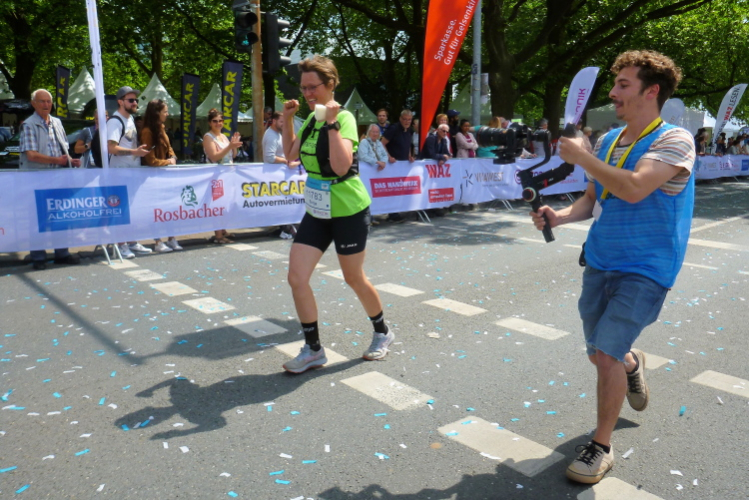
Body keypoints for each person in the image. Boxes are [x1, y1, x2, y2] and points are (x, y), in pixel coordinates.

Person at [530, 50, 695, 485]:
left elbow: (636, 188)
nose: (613, 92)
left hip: (647, 267)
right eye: (615, 83)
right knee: (600, 353)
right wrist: (559, 217)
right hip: (601, 260)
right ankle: (631, 364)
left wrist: (583, 157)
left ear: (651, 91)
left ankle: (600, 447)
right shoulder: (608, 142)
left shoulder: (675, 140)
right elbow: (593, 198)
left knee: (605, 354)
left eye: (623, 84)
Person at [280, 54, 393, 373]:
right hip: (318, 210)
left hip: (348, 209)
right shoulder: (311, 118)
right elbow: (290, 155)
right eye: (303, 88)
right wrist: (288, 119)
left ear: (330, 84)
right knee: (296, 277)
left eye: (312, 87)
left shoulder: (343, 118)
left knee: (353, 277)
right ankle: (313, 349)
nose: (306, 93)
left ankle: (382, 332)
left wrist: (330, 123)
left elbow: (342, 166)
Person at [19, 89, 82, 270]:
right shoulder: (29, 124)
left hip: (58, 177)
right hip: (36, 179)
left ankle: (62, 253)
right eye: (42, 101)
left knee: (60, 216)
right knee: (36, 218)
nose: (46, 105)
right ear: (33, 104)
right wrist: (57, 161)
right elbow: (31, 155)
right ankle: (38, 257)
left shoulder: (57, 122)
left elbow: (63, 149)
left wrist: (69, 160)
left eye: (48, 101)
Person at [107, 86, 152, 259]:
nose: (135, 103)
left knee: (131, 208)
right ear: (120, 102)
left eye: (136, 100)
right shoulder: (115, 121)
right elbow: (111, 148)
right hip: (119, 173)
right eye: (131, 100)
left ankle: (132, 242)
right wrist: (135, 152)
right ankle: (121, 245)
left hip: (131, 172)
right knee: (121, 210)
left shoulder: (130, 119)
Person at [140, 99, 183, 253]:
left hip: (165, 175)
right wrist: (168, 162)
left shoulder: (161, 128)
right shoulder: (147, 132)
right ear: (156, 113)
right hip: (153, 177)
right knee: (156, 210)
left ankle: (171, 238)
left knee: (170, 207)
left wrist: (173, 157)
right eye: (165, 111)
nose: (167, 114)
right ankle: (158, 241)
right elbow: (150, 160)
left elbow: (169, 148)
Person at [204, 108, 242, 244]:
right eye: (215, 121)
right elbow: (214, 157)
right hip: (216, 176)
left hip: (228, 174)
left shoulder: (224, 136)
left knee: (226, 203)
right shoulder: (208, 137)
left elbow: (233, 156)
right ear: (210, 123)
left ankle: (223, 230)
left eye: (221, 121)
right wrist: (229, 146)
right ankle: (218, 236)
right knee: (218, 204)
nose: (218, 123)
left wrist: (234, 146)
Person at [263, 111, 301, 239]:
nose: (284, 124)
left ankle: (284, 226)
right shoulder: (271, 136)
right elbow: (270, 157)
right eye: (281, 121)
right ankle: (284, 227)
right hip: (274, 175)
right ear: (274, 121)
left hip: (279, 175)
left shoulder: (278, 134)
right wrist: (286, 161)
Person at [381, 109, 415, 222]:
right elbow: (382, 143)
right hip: (393, 164)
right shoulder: (393, 128)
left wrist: (409, 156)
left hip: (403, 164)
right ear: (400, 119)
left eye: (409, 120)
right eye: (405, 119)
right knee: (393, 189)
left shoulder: (409, 130)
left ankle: (398, 210)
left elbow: (408, 145)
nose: (407, 122)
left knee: (401, 188)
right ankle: (392, 214)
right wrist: (388, 157)